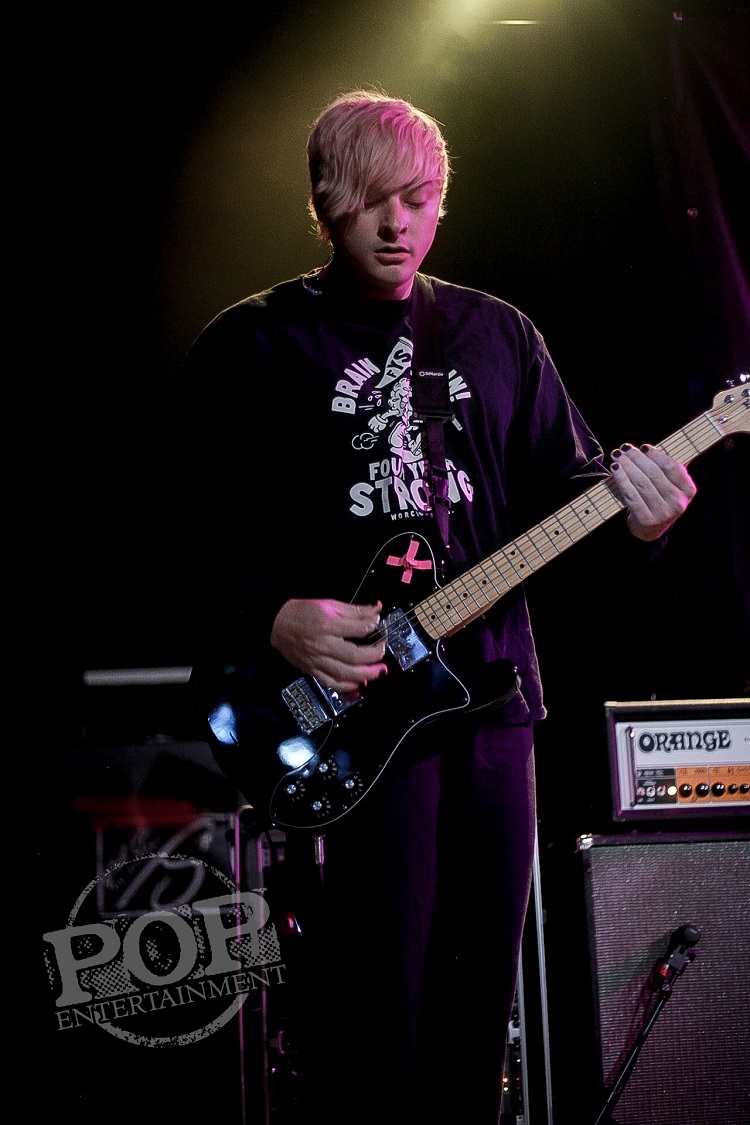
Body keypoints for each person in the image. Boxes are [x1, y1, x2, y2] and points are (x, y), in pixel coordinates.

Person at [178, 89, 697, 1125]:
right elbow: (178, 532)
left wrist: (644, 520)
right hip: (354, 721)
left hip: (493, 712)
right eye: (372, 200)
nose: (397, 223)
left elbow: (570, 500)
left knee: (474, 1019)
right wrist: (273, 615)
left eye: (419, 199)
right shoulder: (254, 345)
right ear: (325, 200)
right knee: (376, 1025)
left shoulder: (498, 334)